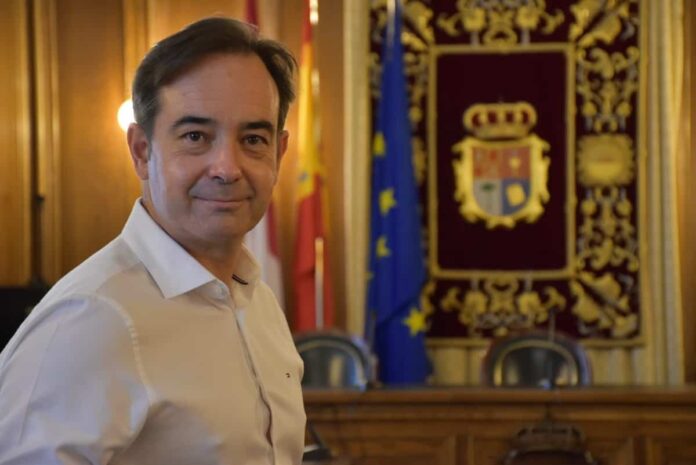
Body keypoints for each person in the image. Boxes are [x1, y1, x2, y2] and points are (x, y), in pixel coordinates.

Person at [0, 17, 306, 464]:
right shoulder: (92, 319)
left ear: (278, 153)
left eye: (253, 139)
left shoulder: (257, 301)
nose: (227, 167)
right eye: (196, 137)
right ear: (142, 151)